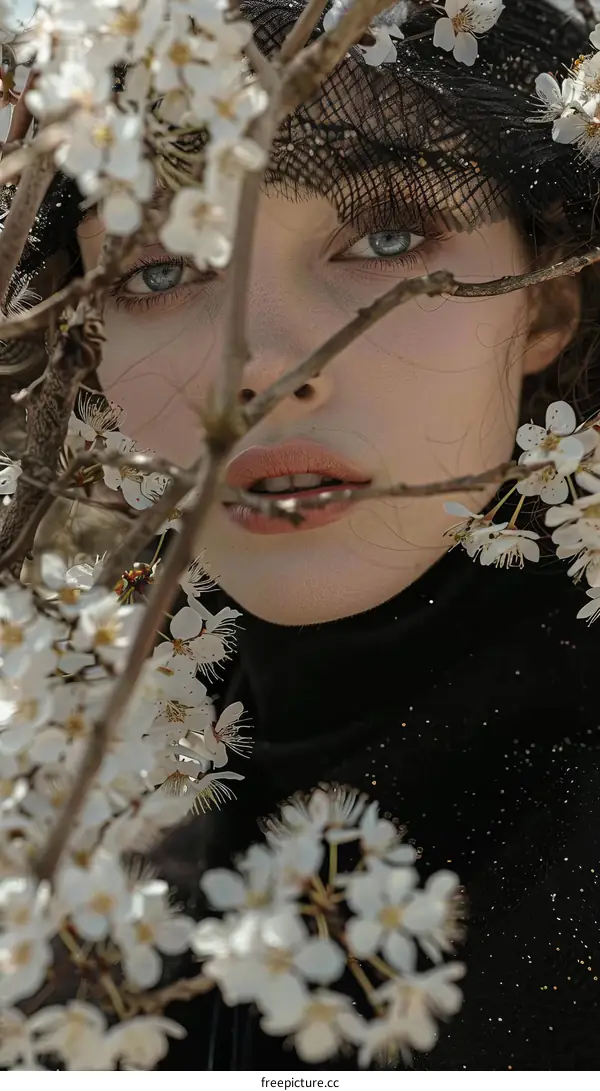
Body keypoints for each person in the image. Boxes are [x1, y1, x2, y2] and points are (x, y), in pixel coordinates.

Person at [4, 0, 600, 1071]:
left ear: (547, 296)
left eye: (384, 236)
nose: (261, 367)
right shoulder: (79, 886)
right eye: (157, 270)